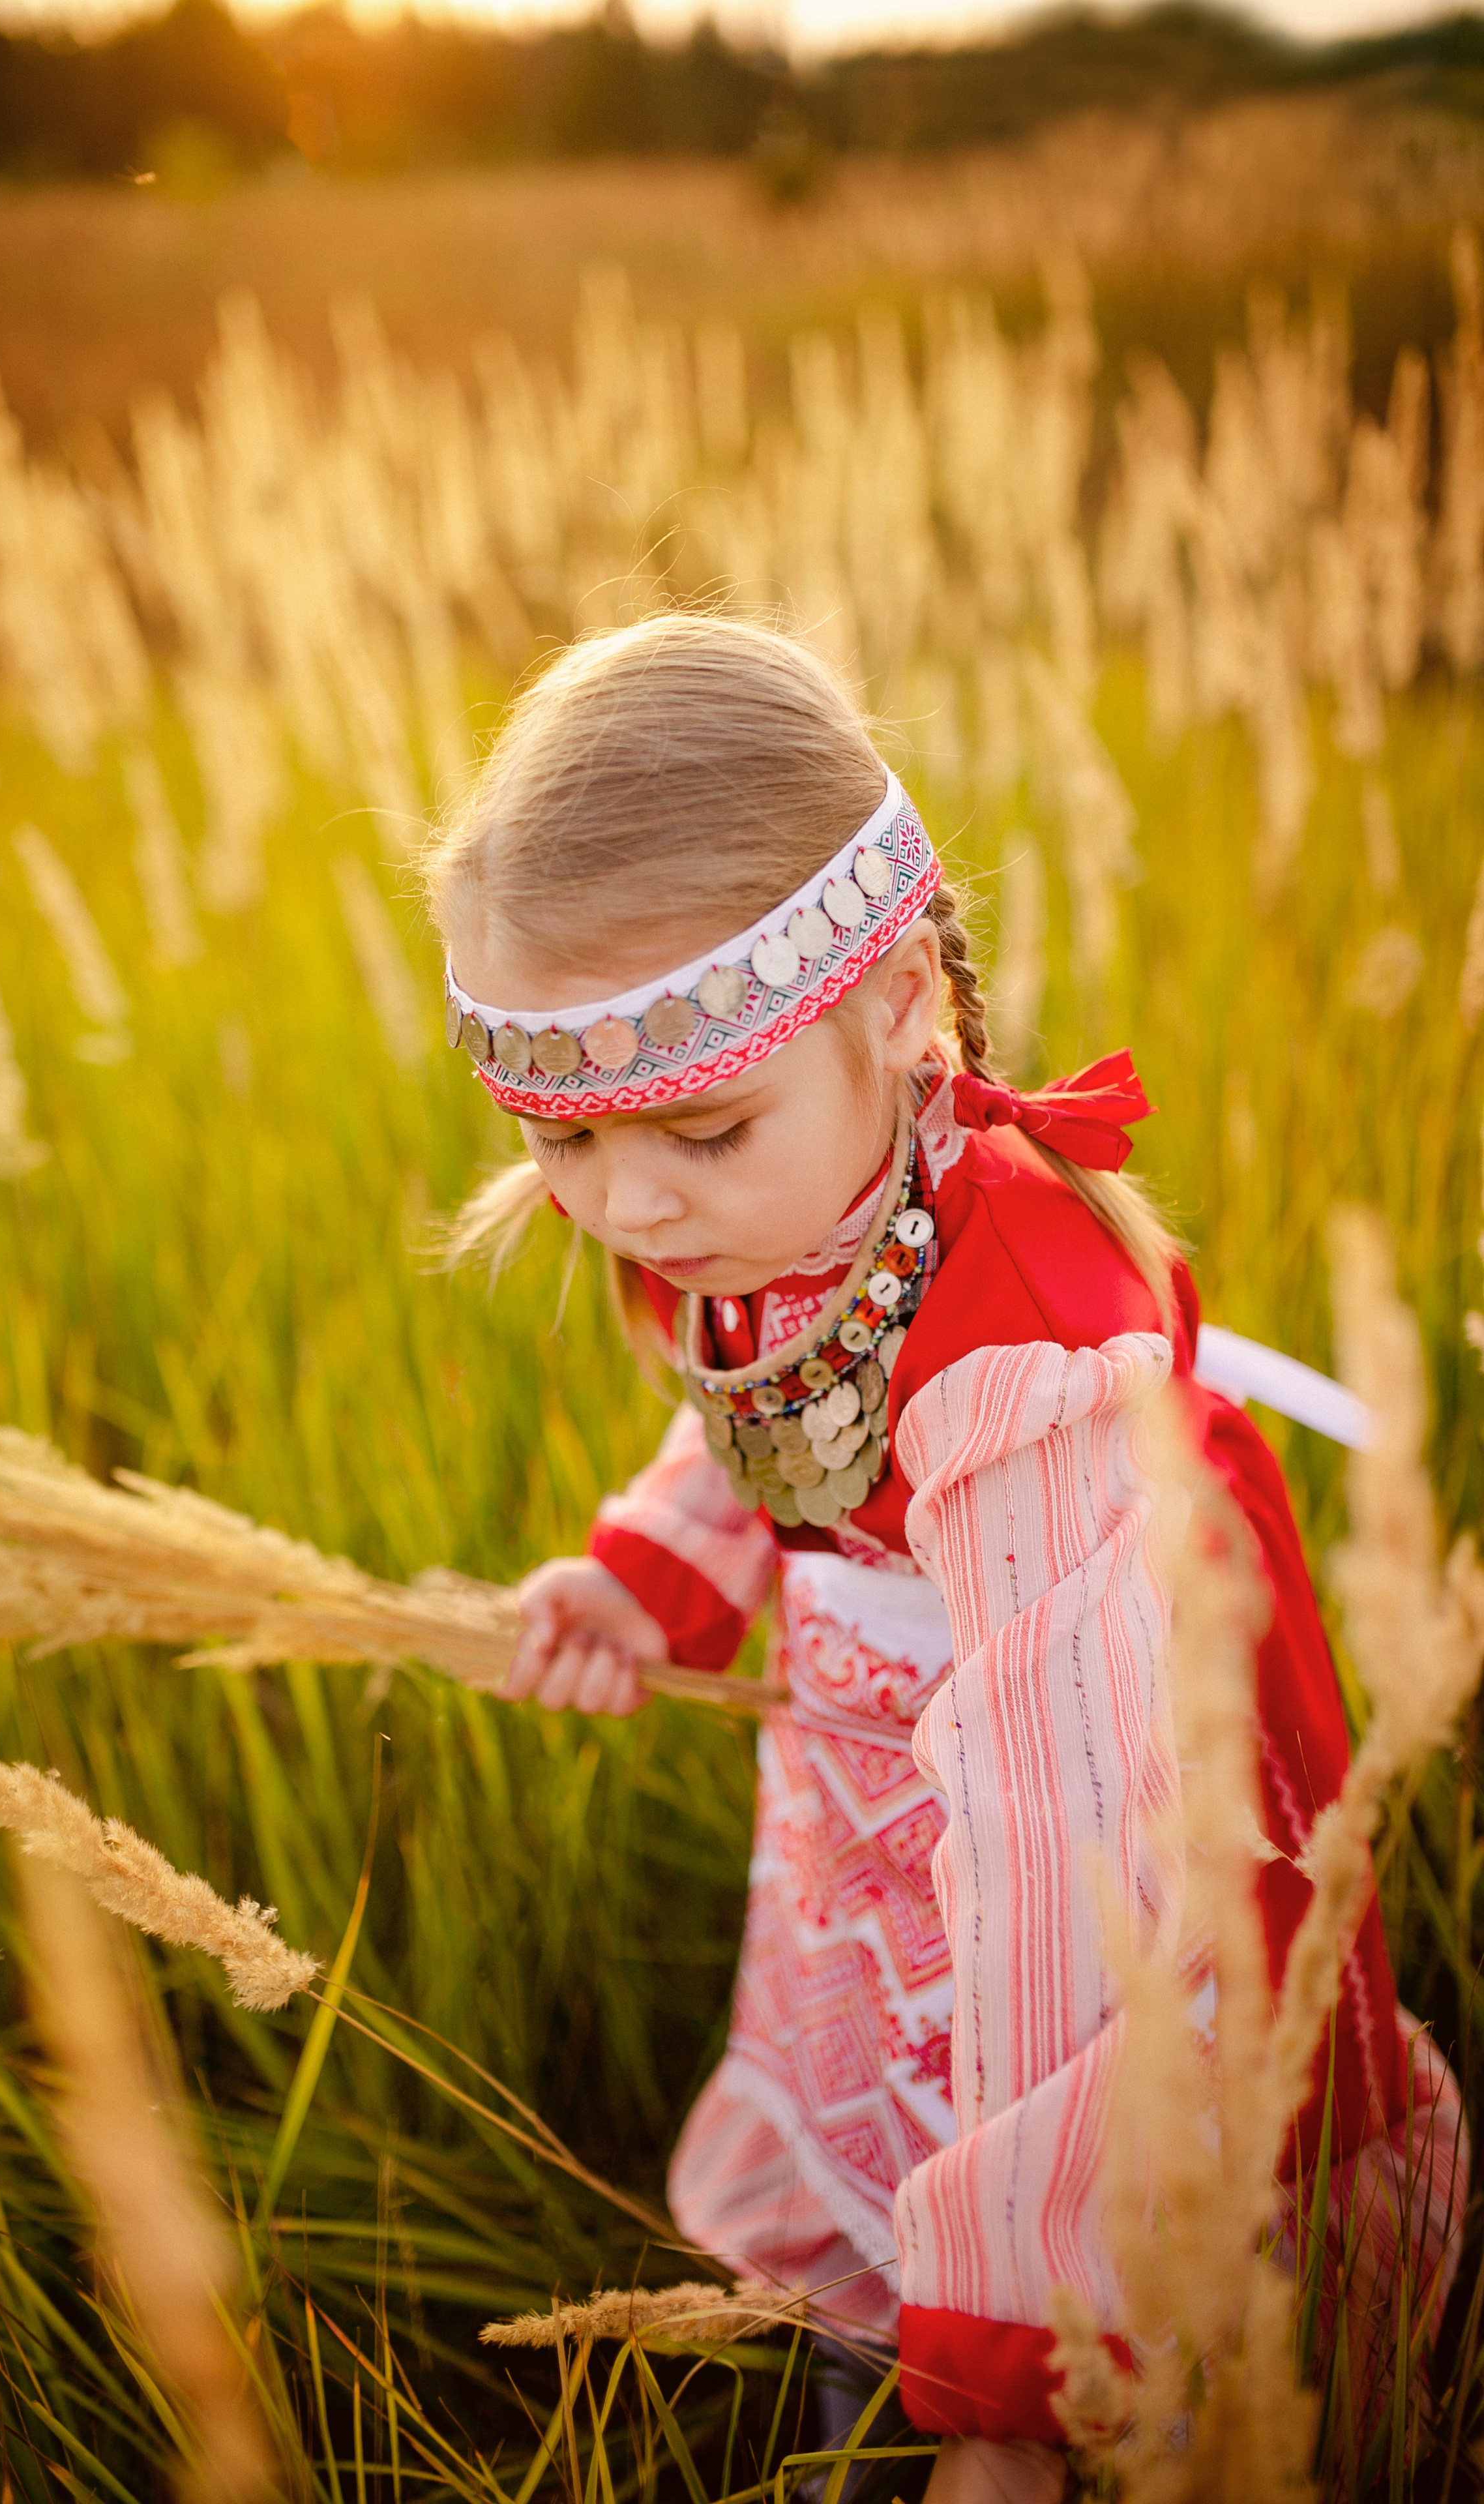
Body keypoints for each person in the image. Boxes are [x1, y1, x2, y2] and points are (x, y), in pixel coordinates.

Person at [424, 613, 1464, 2499]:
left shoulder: (1036, 1384)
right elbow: (757, 1412)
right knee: (876, 2041)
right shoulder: (776, 1214)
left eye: (701, 1130)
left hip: (1079, 1801)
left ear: (903, 1010)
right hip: (878, 1766)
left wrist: (1019, 2393)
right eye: (561, 1145)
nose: (630, 1209)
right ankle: (877, 2350)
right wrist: (649, 1574)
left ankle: (1019, 2368)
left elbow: (1090, 1914)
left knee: (1030, 2070)